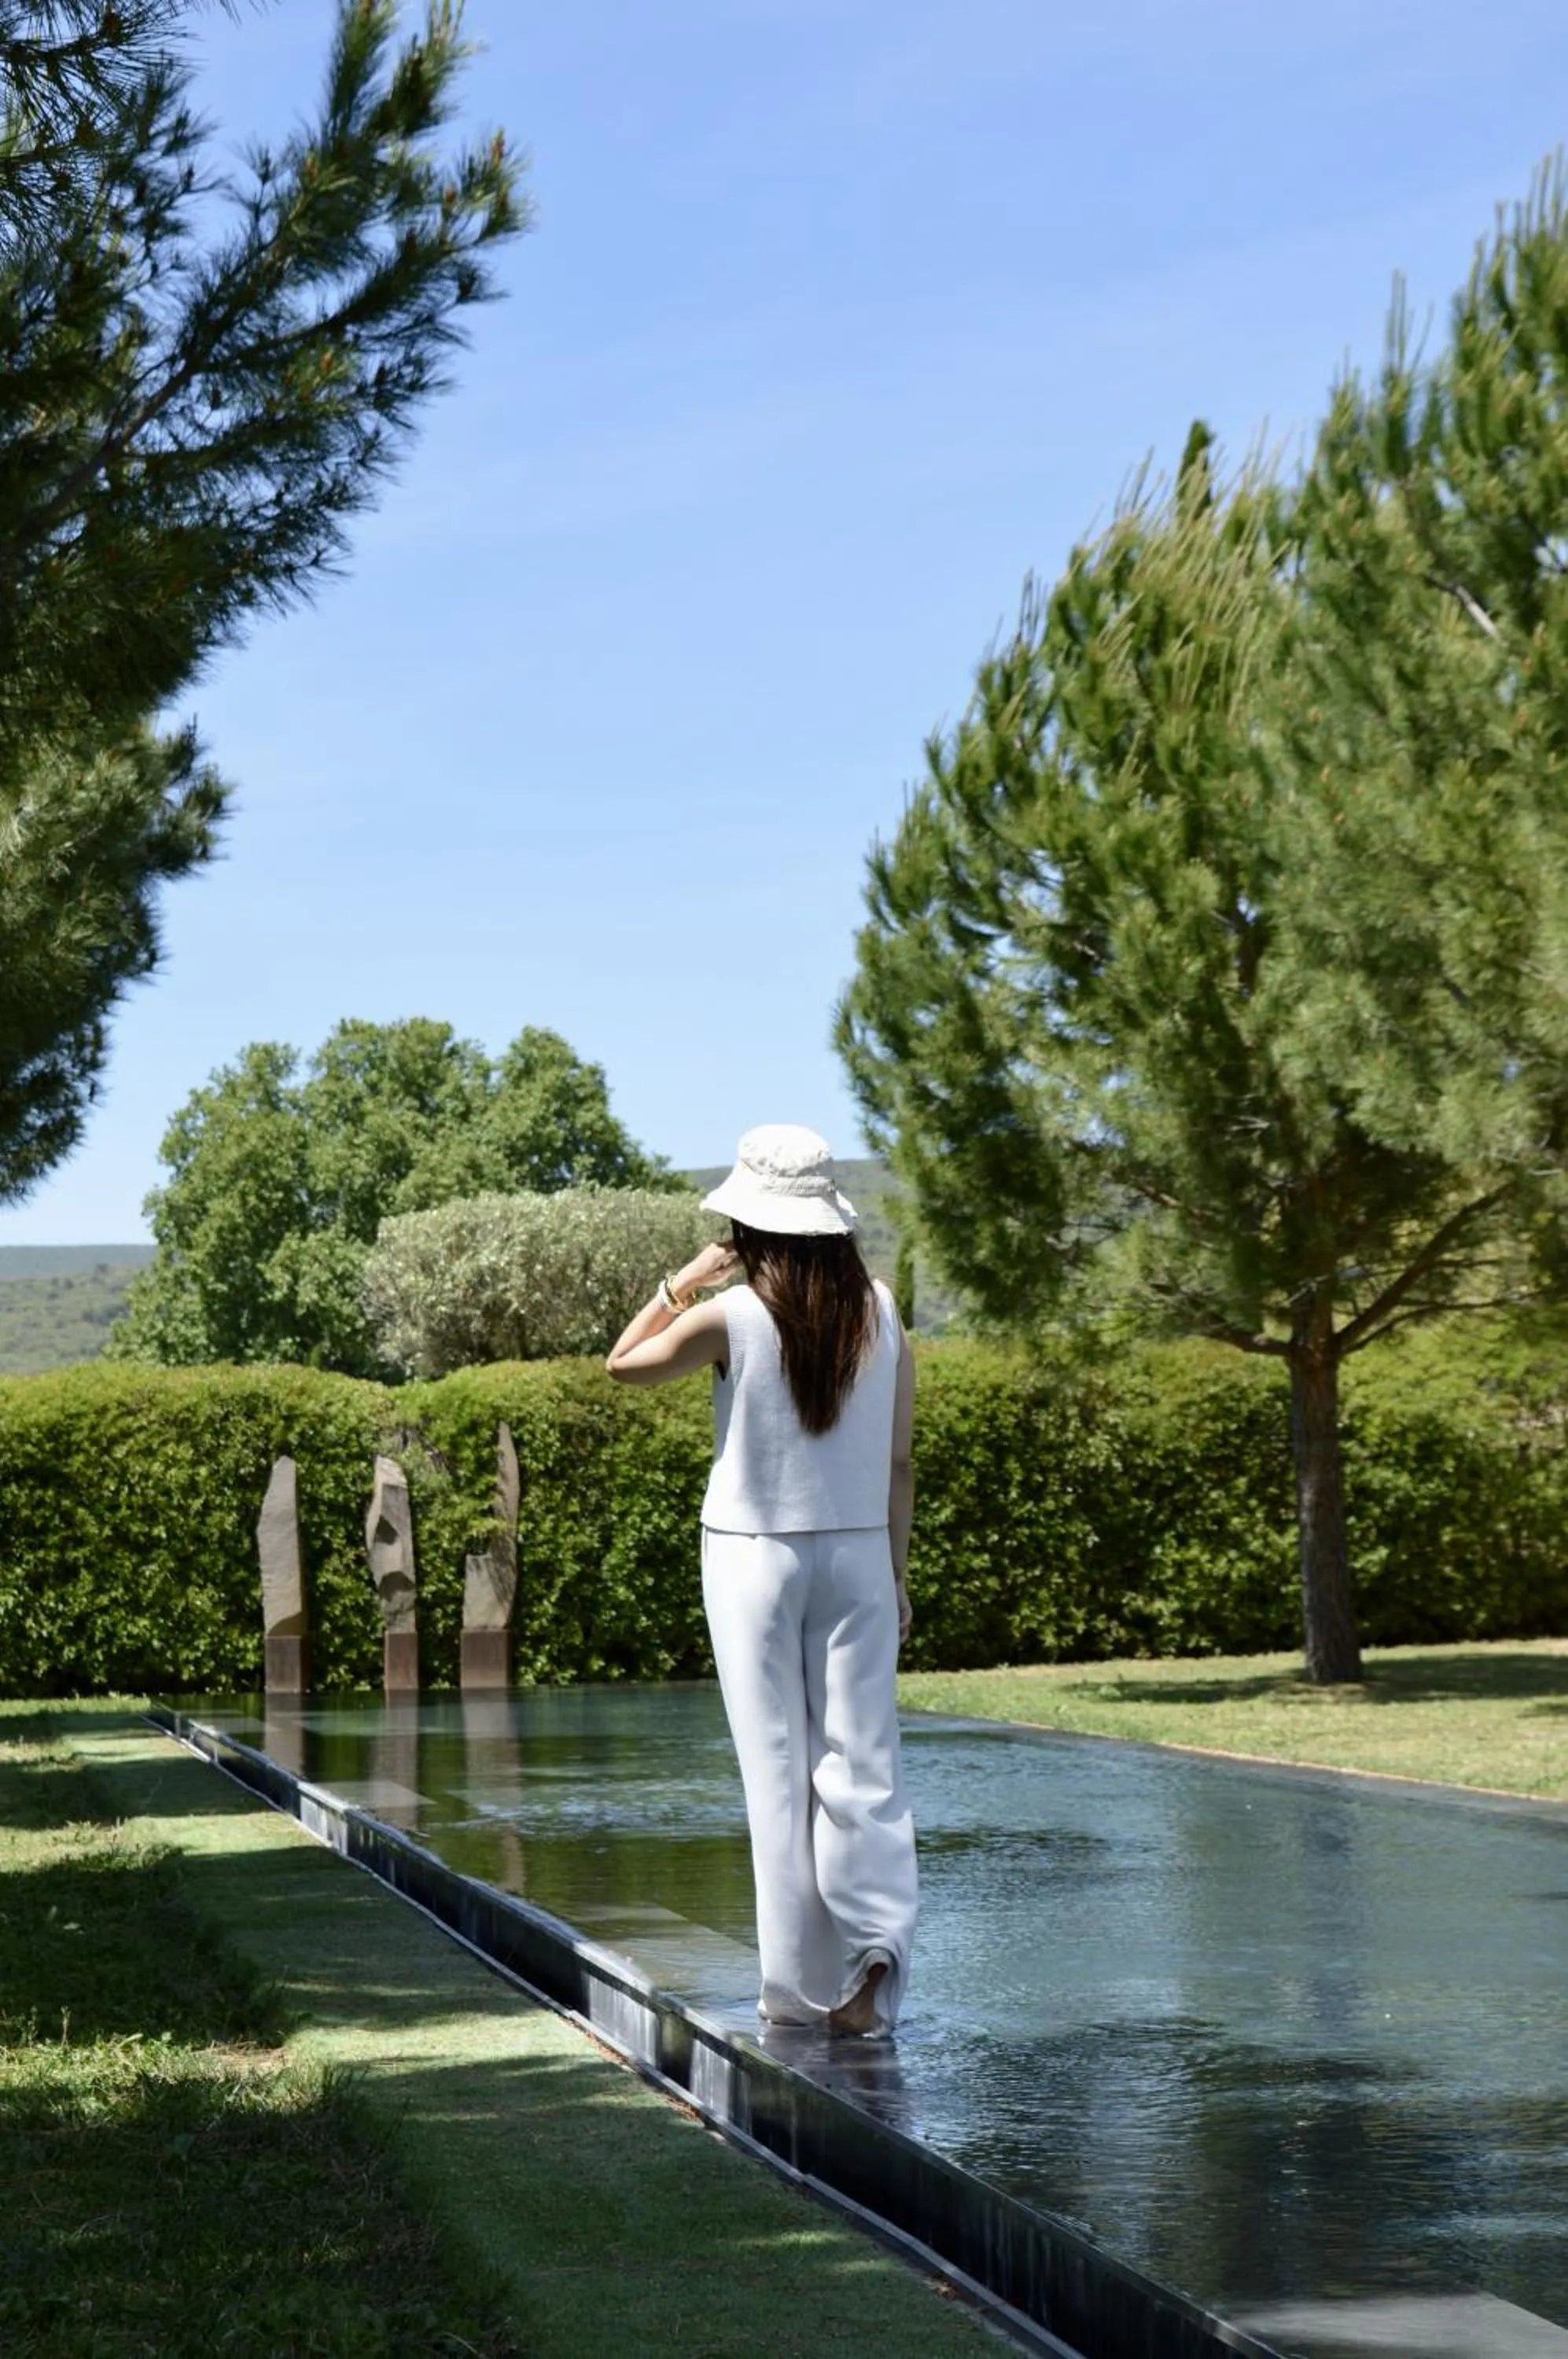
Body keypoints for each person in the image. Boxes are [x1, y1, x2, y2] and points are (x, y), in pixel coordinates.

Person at [605, 1123, 918, 2036]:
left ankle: (792, 1996)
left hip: (751, 1556)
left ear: (747, 1225)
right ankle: (874, 1965)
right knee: (863, 1765)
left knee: (776, 1775)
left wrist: (681, 1282)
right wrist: (894, 1575)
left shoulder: (730, 1316)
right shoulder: (884, 1309)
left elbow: (622, 1364)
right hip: (859, 1554)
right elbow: (898, 1461)